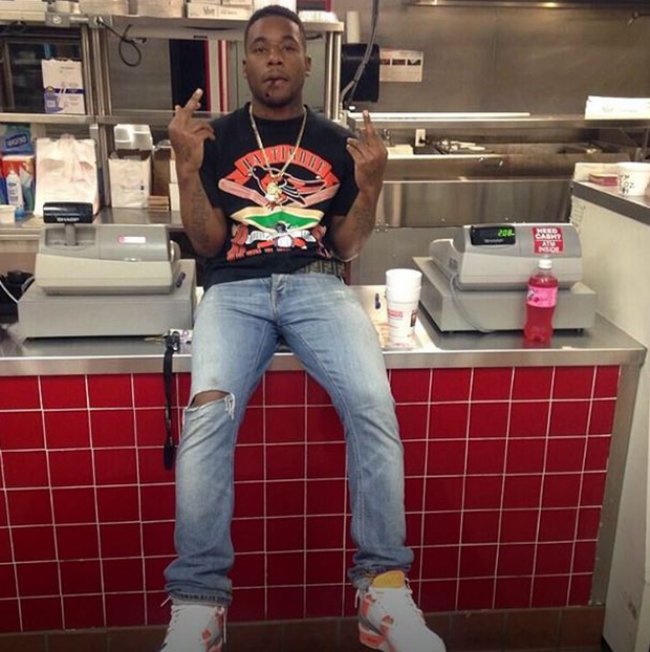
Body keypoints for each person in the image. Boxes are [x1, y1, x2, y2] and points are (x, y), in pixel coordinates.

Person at [160, 5, 446, 652]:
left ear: (307, 61)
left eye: (286, 46)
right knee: (207, 414)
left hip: (318, 284)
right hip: (233, 290)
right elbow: (207, 243)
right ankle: (199, 604)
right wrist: (185, 169)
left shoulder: (336, 140)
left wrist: (370, 187)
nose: (274, 58)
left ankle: (382, 591)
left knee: (372, 402)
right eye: (260, 48)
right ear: (244, 64)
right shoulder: (214, 137)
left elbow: (346, 246)